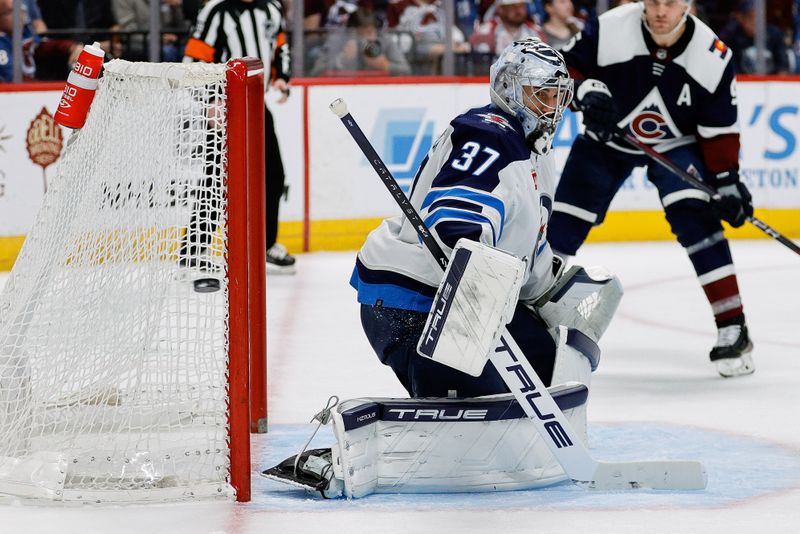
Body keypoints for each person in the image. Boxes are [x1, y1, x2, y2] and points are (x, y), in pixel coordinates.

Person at [350, 38, 576, 398]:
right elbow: (456, 224)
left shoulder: (536, 151)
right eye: (540, 95)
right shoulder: (489, 134)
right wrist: (470, 248)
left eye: (555, 96)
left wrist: (554, 292)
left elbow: (527, 255)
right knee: (485, 400)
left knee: (543, 355)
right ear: (509, 88)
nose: (551, 108)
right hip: (415, 303)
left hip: (469, 302)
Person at [548, 0, 755, 377]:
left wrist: (727, 181)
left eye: (671, 3)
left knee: (696, 217)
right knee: (564, 222)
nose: (661, 11)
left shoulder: (712, 55)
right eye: (654, 1)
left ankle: (733, 326)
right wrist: (587, 92)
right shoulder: (610, 27)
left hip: (676, 144)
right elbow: (566, 70)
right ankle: (527, 317)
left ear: (688, 5)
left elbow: (719, 128)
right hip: (606, 139)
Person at [182, 0, 297, 274]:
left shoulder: (271, 8)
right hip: (224, 106)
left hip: (257, 105)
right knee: (216, 178)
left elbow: (280, 45)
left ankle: (266, 245)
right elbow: (194, 59)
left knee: (274, 175)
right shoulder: (216, 10)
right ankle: (194, 251)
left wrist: (282, 76)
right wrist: (210, 100)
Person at [311, 5, 411, 75]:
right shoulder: (338, 40)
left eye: (371, 33)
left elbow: (406, 70)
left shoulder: (384, 40)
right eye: (362, 34)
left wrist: (385, 65)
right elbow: (316, 72)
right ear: (351, 33)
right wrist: (341, 61)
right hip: (344, 91)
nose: (367, 40)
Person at [718, 0, 791, 74]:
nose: (755, 22)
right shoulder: (731, 36)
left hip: (771, 82)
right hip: (743, 82)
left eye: (759, 18)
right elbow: (728, 68)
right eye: (751, 17)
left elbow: (783, 67)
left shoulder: (775, 34)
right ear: (741, 18)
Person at [470, 0, 545, 59]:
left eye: (522, 6)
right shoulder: (486, 31)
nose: (518, 11)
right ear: (500, 8)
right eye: (513, 6)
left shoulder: (535, 31)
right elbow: (482, 63)